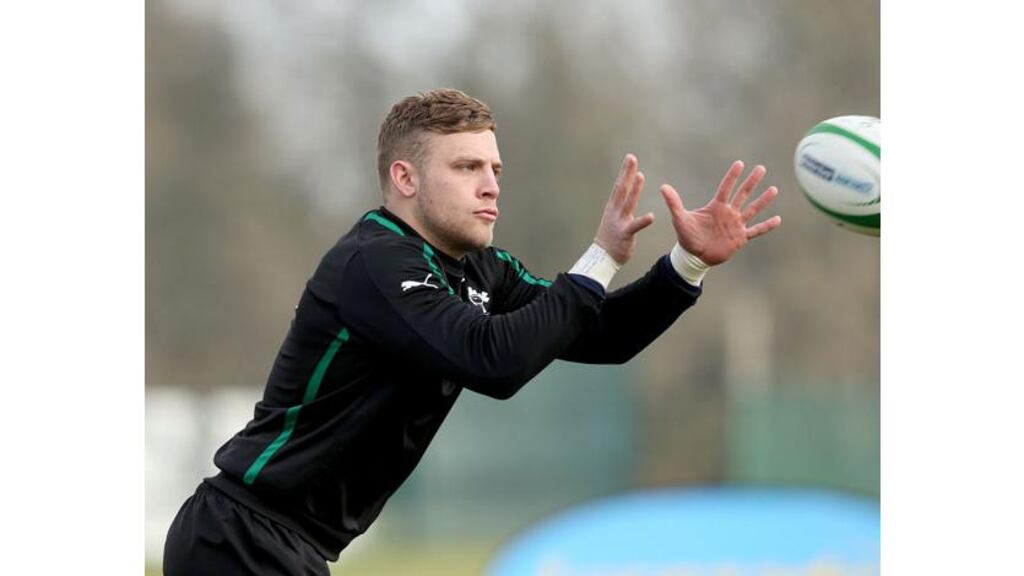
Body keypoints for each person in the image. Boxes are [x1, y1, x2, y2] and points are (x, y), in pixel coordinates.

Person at [163, 88, 781, 575]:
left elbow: (596, 334)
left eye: (495, 167)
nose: (491, 184)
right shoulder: (375, 262)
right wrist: (600, 256)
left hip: (284, 546)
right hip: (238, 537)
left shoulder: (482, 267)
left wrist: (686, 265)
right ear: (405, 179)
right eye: (466, 167)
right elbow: (493, 362)